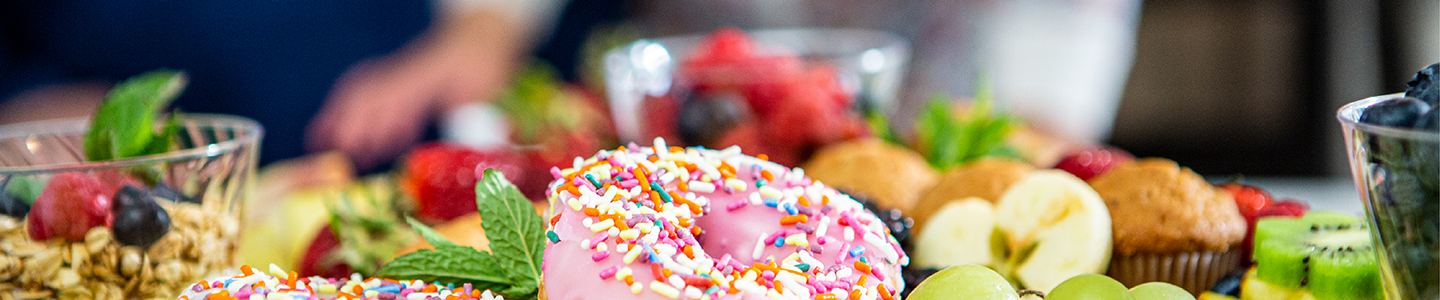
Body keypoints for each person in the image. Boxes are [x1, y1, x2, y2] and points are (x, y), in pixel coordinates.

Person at [0, 0, 557, 169]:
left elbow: (490, 26)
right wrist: (28, 122)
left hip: (416, 159)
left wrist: (481, 30)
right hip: (148, 196)